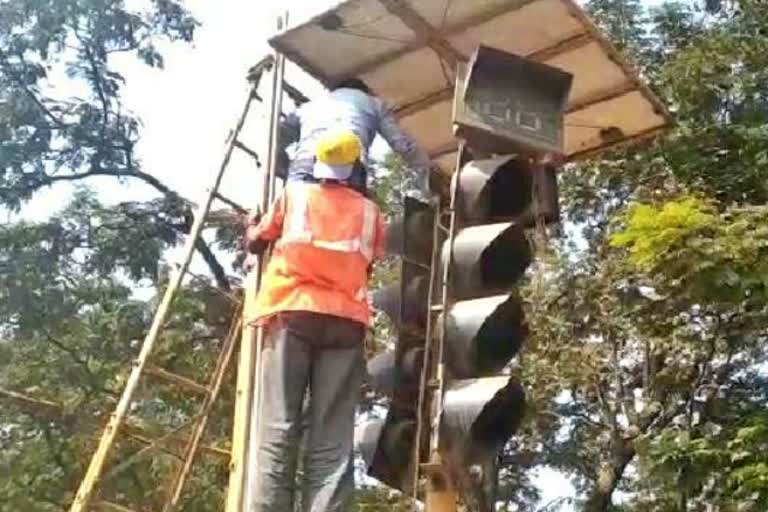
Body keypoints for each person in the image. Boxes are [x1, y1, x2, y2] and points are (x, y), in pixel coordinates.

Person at [242, 157, 387, 511]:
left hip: (292, 311)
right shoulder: (371, 214)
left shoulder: (294, 196)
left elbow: (256, 242)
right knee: (332, 441)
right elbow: (367, 263)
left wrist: (249, 227)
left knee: (279, 427)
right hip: (346, 323)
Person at [279, 77, 435, 201]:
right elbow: (403, 145)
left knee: (293, 219)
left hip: (303, 167)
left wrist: (283, 167)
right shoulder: (373, 103)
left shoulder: (310, 106)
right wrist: (428, 180)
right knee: (344, 225)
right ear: (365, 91)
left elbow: (279, 136)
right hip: (347, 165)